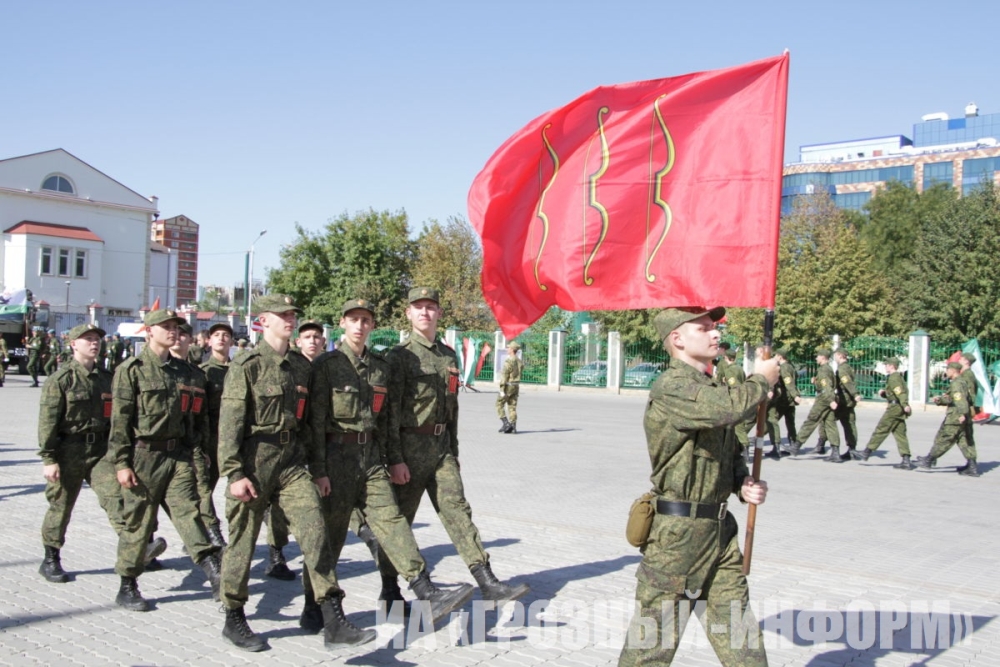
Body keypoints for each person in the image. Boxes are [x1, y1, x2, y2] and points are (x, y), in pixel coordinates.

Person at [298, 297, 475, 631]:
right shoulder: (327, 365)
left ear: (372, 325)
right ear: (342, 323)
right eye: (354, 319)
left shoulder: (380, 367)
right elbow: (315, 422)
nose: (360, 325)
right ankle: (312, 604)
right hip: (335, 459)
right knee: (330, 539)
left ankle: (424, 588)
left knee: (393, 523)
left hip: (370, 460)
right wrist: (318, 470)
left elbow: (387, 419)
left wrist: (393, 459)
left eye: (365, 320)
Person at [618, 307, 777, 667]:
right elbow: (727, 410)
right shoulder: (672, 387)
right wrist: (761, 381)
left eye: (715, 327)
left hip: (719, 534)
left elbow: (727, 449)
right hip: (678, 537)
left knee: (743, 644)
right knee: (650, 649)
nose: (715, 333)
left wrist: (741, 483)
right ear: (677, 338)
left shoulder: (711, 387)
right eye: (704, 328)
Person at [218, 294, 376, 652]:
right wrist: (234, 473)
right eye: (282, 314)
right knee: (242, 540)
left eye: (292, 314)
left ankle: (332, 617)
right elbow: (229, 425)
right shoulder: (247, 365)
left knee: (315, 531)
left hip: (292, 462)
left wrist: (317, 469)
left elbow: (310, 425)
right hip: (254, 461)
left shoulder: (303, 367)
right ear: (263, 321)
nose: (290, 319)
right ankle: (233, 616)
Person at [382, 287, 530, 602]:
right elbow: (389, 413)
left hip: (441, 449)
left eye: (430, 307)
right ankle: (390, 589)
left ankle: (487, 581)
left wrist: (454, 452)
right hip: (408, 450)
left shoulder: (449, 356)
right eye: (418, 307)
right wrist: (394, 459)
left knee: (458, 511)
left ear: (439, 313)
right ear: (408, 313)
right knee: (400, 523)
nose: (425, 312)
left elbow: (452, 409)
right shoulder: (399, 356)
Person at [109, 308, 222, 611]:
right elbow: (120, 422)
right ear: (149, 331)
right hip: (144, 456)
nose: (173, 331)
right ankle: (128, 584)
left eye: (176, 326)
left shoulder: (186, 372)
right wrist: (121, 464)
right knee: (139, 522)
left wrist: (199, 452)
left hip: (178, 455)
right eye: (166, 326)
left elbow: (196, 419)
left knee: (189, 513)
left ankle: (214, 571)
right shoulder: (131, 370)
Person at [37, 323, 128, 582]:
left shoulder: (107, 378)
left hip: (100, 450)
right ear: (73, 344)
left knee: (116, 498)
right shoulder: (61, 380)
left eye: (97, 339)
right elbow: (47, 422)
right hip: (69, 450)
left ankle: (135, 549)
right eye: (87, 339)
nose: (94, 343)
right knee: (61, 504)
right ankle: (51, 558)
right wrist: (49, 458)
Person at [261, 318, 328, 581]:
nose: (313, 341)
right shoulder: (291, 366)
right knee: (280, 504)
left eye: (317, 337)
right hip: (291, 446)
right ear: (298, 341)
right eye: (307, 337)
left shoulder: (328, 366)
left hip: (322, 442)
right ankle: (276, 553)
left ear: (324, 341)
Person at [168, 322, 223, 548]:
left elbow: (203, 415)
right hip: (157, 446)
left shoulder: (197, 375)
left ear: (191, 340)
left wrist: (205, 446)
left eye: (184, 334)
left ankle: (210, 534)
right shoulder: (155, 370)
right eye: (175, 333)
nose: (178, 337)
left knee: (201, 489)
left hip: (191, 443)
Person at [199, 322, 234, 547]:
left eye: (226, 335)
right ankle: (206, 534)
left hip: (235, 439)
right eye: (217, 335)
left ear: (231, 341)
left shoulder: (239, 369)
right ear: (209, 341)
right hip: (211, 437)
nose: (221, 338)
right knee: (204, 489)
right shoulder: (203, 372)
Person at [915, 362, 977, 475]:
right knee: (965, 441)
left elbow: (960, 400)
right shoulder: (961, 382)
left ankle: (929, 460)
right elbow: (952, 398)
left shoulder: (957, 383)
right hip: (962, 416)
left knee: (945, 439)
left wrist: (962, 414)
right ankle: (972, 466)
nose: (946, 372)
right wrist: (940, 400)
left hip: (955, 417)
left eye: (948, 370)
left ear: (953, 370)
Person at [857, 357, 912, 468]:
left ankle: (867, 452)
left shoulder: (894, 378)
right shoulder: (897, 377)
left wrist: (905, 404)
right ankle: (906, 459)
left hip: (894, 408)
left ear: (891, 366)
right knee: (900, 434)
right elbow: (894, 393)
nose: (885, 367)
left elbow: (900, 392)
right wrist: (884, 393)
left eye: (886, 365)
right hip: (898, 407)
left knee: (881, 429)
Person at [790, 347, 842, 460]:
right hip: (828, 397)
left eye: (818, 356)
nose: (816, 358)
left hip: (824, 399)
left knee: (811, 421)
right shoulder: (828, 369)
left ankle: (796, 446)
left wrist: (831, 400)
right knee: (830, 424)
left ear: (823, 357)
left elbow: (826, 387)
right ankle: (835, 452)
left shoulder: (823, 370)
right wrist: (816, 381)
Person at [768, 347, 802, 455]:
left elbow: (788, 382)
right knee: (790, 422)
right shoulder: (790, 366)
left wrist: (795, 395)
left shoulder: (784, 368)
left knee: (772, 419)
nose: (774, 357)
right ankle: (793, 445)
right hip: (789, 399)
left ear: (780, 356)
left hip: (784, 399)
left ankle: (776, 446)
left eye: (775, 355)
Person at [833, 349, 863, 460]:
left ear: (840, 356)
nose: (834, 358)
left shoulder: (842, 368)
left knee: (828, 420)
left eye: (835, 355)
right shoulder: (848, 367)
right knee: (849, 423)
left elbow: (847, 382)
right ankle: (852, 449)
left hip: (844, 400)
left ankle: (824, 446)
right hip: (849, 399)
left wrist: (855, 394)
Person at [954, 352, 979, 474]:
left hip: (965, 410)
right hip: (964, 409)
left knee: (964, 437)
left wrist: (965, 410)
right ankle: (971, 464)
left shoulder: (968, 375)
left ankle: (930, 459)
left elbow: (970, 393)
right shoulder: (964, 374)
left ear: (966, 361)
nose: (959, 360)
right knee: (965, 437)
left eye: (961, 359)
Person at [495, 340, 523, 434]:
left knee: (499, 404)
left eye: (508, 348)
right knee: (512, 406)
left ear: (512, 349)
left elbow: (504, 376)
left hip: (508, 386)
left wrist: (502, 389)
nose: (507, 349)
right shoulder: (519, 361)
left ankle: (506, 423)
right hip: (516, 386)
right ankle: (513, 427)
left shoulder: (509, 361)